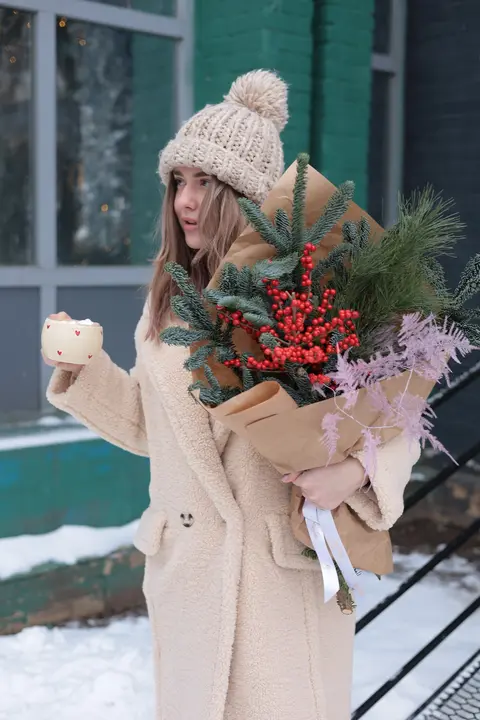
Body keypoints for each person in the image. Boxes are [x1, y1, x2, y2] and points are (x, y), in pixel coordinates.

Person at [43, 70, 420, 720]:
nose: (186, 200)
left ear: (246, 195)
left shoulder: (311, 300)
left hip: (277, 584)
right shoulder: (164, 308)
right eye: (178, 181)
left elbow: (398, 413)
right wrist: (85, 369)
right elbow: (152, 430)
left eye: (206, 183)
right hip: (189, 578)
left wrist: (352, 471)